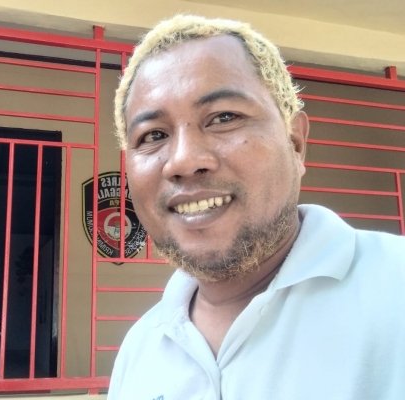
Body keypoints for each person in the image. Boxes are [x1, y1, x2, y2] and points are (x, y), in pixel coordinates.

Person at [107, 14, 405, 400]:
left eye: (223, 117)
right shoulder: (140, 350)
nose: (183, 160)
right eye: (153, 135)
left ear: (295, 143)